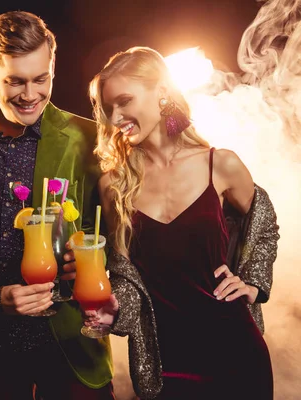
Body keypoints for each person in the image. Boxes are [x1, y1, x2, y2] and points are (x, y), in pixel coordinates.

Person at [84, 46, 278, 399]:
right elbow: (127, 277)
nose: (115, 117)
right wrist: (114, 311)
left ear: (161, 94)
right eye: (108, 108)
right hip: (166, 365)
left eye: (124, 101)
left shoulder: (220, 164)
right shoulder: (113, 186)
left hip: (236, 353)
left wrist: (253, 281)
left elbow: (263, 223)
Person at [0, 11, 114, 400]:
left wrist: (95, 255)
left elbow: (123, 231)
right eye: (15, 81)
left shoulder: (90, 137)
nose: (29, 94)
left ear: (53, 66)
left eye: (40, 79)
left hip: (70, 340)